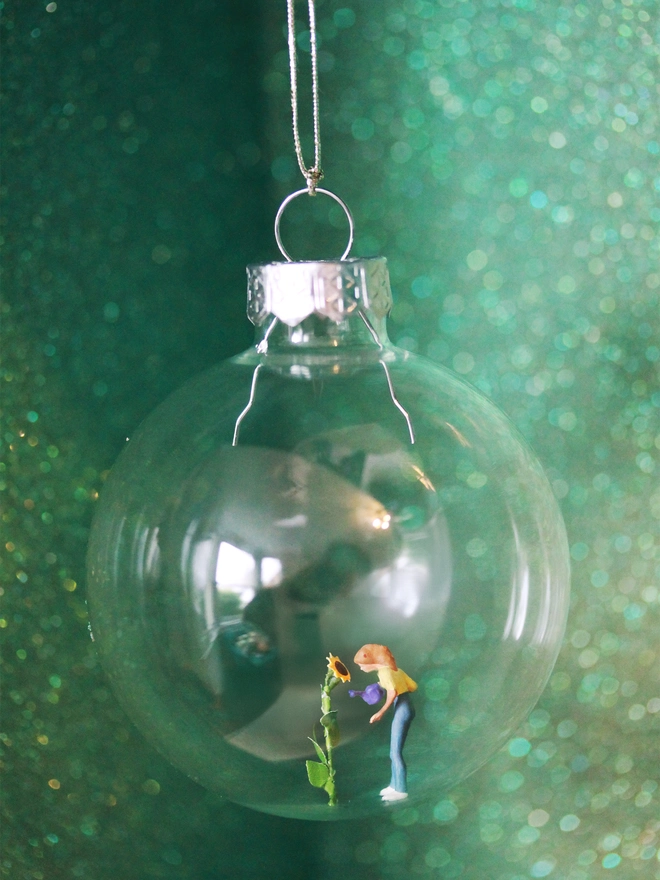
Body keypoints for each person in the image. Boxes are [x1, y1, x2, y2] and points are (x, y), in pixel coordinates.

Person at [353, 644, 417, 802]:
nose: (360, 668)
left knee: (395, 752)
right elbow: (412, 686)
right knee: (393, 752)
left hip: (402, 708)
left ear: (370, 661)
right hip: (406, 705)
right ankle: (394, 785)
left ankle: (401, 790)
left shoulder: (384, 672)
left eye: (361, 665)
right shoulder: (396, 670)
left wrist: (380, 712)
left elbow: (392, 692)